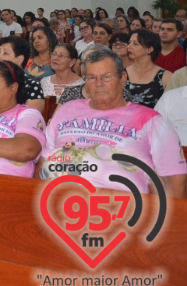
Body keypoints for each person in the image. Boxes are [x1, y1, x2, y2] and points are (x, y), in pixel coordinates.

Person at [40, 48, 186, 197]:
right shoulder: (67, 110)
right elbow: (43, 161)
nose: (98, 83)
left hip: (119, 207)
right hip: (57, 200)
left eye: (106, 77)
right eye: (91, 77)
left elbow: (174, 178)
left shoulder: (151, 121)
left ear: (122, 78)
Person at [124, 29, 170, 109]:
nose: (129, 46)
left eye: (135, 44)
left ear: (150, 49)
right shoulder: (121, 74)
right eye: (129, 42)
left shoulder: (165, 77)